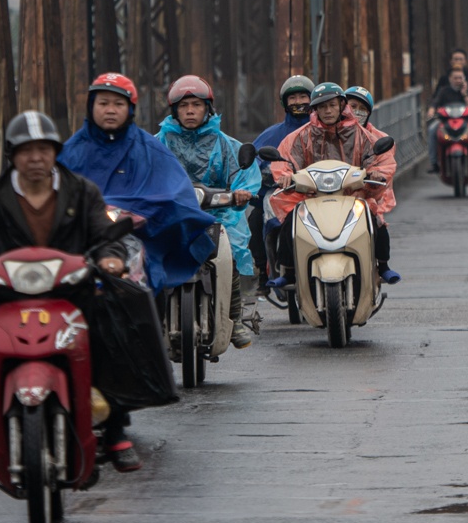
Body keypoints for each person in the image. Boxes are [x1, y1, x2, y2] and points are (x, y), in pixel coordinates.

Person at [0, 110, 140, 471]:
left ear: (55, 153)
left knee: (109, 337)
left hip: (72, 298)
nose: (35, 158)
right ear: (12, 155)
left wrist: (111, 257)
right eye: (26, 150)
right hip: (11, 300)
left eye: (43, 149)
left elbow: (104, 234)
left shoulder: (82, 192)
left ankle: (115, 431)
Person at [60, 73, 217, 294]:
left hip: (136, 233)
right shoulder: (72, 151)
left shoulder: (148, 149)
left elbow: (175, 190)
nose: (111, 110)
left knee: (145, 284)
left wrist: (146, 214)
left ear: (130, 108)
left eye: (118, 104)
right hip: (84, 233)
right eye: (103, 103)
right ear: (91, 106)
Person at [157, 75, 261, 348]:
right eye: (183, 106)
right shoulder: (158, 143)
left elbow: (244, 171)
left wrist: (241, 193)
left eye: (196, 105)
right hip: (174, 214)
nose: (190, 110)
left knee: (230, 255)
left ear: (208, 109)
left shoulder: (225, 144)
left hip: (218, 212)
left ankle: (234, 318)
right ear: (174, 111)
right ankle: (153, 319)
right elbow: (145, 172)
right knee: (149, 255)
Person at [268, 82, 399, 285]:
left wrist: (376, 174)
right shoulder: (301, 135)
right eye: (321, 106)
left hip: (353, 196)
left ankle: (383, 265)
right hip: (311, 198)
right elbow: (284, 159)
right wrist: (285, 175)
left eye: (331, 105)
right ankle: (289, 271)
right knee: (290, 223)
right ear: (315, 109)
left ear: (341, 105)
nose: (327, 111)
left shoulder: (362, 135)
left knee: (376, 222)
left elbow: (380, 160)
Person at [250, 75, 315, 281]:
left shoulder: (325, 131)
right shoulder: (271, 135)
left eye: (303, 96)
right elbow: (255, 163)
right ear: (284, 103)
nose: (298, 102)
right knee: (255, 218)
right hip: (283, 194)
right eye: (292, 98)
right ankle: (263, 270)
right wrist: (268, 174)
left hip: (320, 193)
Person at [431, 66, 468, 173]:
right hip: (446, 120)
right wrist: (432, 109)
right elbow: (436, 102)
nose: (458, 80)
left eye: (460, 78)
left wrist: (464, 93)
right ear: (450, 79)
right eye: (455, 78)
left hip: (467, 119)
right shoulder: (444, 91)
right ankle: (434, 162)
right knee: (432, 130)